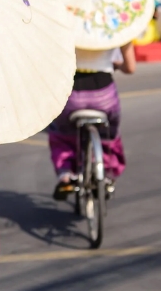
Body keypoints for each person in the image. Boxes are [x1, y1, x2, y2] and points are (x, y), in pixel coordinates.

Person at [48, 42, 135, 200]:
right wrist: (115, 65)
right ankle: (105, 172)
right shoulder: (115, 28)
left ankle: (66, 175)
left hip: (70, 95)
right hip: (104, 96)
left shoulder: (67, 23)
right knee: (109, 133)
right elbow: (130, 68)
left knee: (60, 133)